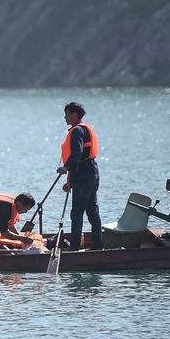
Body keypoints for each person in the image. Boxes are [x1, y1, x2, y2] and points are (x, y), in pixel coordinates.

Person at [56, 101, 103, 250]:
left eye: (67, 115)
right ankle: (98, 246)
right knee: (92, 212)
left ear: (75, 115)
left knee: (76, 213)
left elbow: (77, 153)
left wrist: (65, 167)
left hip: (83, 176)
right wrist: (69, 182)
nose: (65, 118)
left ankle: (74, 248)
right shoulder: (82, 129)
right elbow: (79, 157)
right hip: (92, 174)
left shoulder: (77, 131)